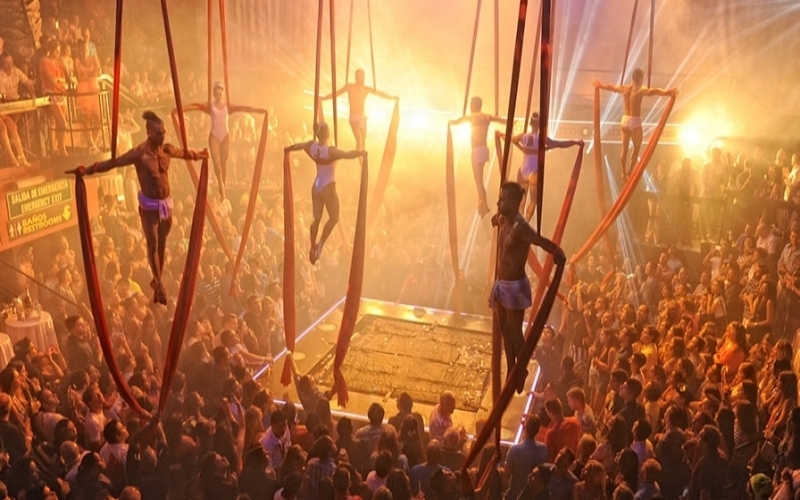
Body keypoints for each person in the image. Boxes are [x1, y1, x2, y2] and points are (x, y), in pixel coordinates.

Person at [70, 111, 208, 304]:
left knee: (162, 242)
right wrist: (88, 170)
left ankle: (157, 278)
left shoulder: (167, 150)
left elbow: (185, 154)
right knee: (153, 244)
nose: (163, 135)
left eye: (164, 132)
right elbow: (113, 163)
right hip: (149, 207)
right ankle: (158, 282)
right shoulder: (140, 153)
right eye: (159, 133)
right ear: (149, 132)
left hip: (165, 205)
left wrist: (200, 155)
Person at [490, 182, 566, 391]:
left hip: (514, 287)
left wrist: (556, 250)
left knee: (515, 331)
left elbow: (539, 240)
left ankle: (521, 368)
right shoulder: (504, 220)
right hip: (502, 283)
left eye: (502, 200)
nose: (498, 203)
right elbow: (496, 219)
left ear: (514, 202)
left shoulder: (520, 226)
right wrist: (495, 219)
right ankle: (512, 367)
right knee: (505, 328)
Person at [284, 122, 365, 264]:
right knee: (334, 217)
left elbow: (298, 146)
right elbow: (347, 155)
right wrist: (361, 153)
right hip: (328, 186)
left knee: (316, 218)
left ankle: (312, 246)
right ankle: (320, 243)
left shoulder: (311, 146)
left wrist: (288, 149)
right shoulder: (330, 151)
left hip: (316, 187)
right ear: (328, 134)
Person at [592, 68, 677, 178]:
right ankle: (630, 172)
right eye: (642, 78)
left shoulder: (625, 88)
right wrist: (668, 93)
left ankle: (623, 172)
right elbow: (655, 91)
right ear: (640, 78)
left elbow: (612, 87)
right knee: (637, 148)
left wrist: (600, 85)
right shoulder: (640, 90)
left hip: (625, 120)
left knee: (624, 148)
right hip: (635, 122)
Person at [183, 81, 264, 197]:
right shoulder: (210, 106)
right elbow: (196, 106)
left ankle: (223, 186)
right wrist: (183, 109)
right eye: (216, 94)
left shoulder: (227, 106)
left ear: (223, 94)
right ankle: (220, 184)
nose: (218, 96)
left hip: (225, 136)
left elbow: (242, 108)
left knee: (223, 163)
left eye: (220, 94)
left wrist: (256, 110)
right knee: (216, 163)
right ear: (213, 95)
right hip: (214, 136)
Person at [507, 112, 583, 221]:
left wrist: (522, 148)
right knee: (533, 201)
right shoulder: (542, 139)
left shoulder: (523, 136)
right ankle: (526, 222)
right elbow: (560, 144)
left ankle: (519, 222)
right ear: (540, 126)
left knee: (521, 202)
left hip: (523, 171)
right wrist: (576, 142)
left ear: (530, 124)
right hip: (534, 173)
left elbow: (512, 140)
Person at [450, 96, 509, 217]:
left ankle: (485, 206)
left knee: (478, 182)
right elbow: (500, 120)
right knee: (479, 181)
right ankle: (482, 205)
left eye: (471, 104)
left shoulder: (473, 117)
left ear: (474, 105)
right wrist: (511, 122)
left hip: (477, 150)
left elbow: (459, 121)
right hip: (484, 149)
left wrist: (451, 122)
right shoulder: (486, 116)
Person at [320, 68, 398, 151]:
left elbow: (380, 94)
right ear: (356, 77)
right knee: (359, 140)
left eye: (362, 76)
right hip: (353, 116)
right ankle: (358, 154)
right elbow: (337, 93)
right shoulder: (350, 86)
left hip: (362, 116)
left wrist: (391, 97)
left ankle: (361, 157)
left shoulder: (366, 89)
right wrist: (325, 98)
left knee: (363, 141)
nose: (362, 78)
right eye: (360, 76)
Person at [0, 52, 36, 166]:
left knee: (13, 127)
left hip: (6, 108)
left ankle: (21, 157)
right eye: (7, 63)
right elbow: (4, 97)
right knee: (2, 128)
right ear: (2, 64)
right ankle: (12, 158)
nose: (10, 65)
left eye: (11, 62)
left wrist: (33, 96)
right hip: (4, 105)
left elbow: (28, 82)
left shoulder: (16, 71)